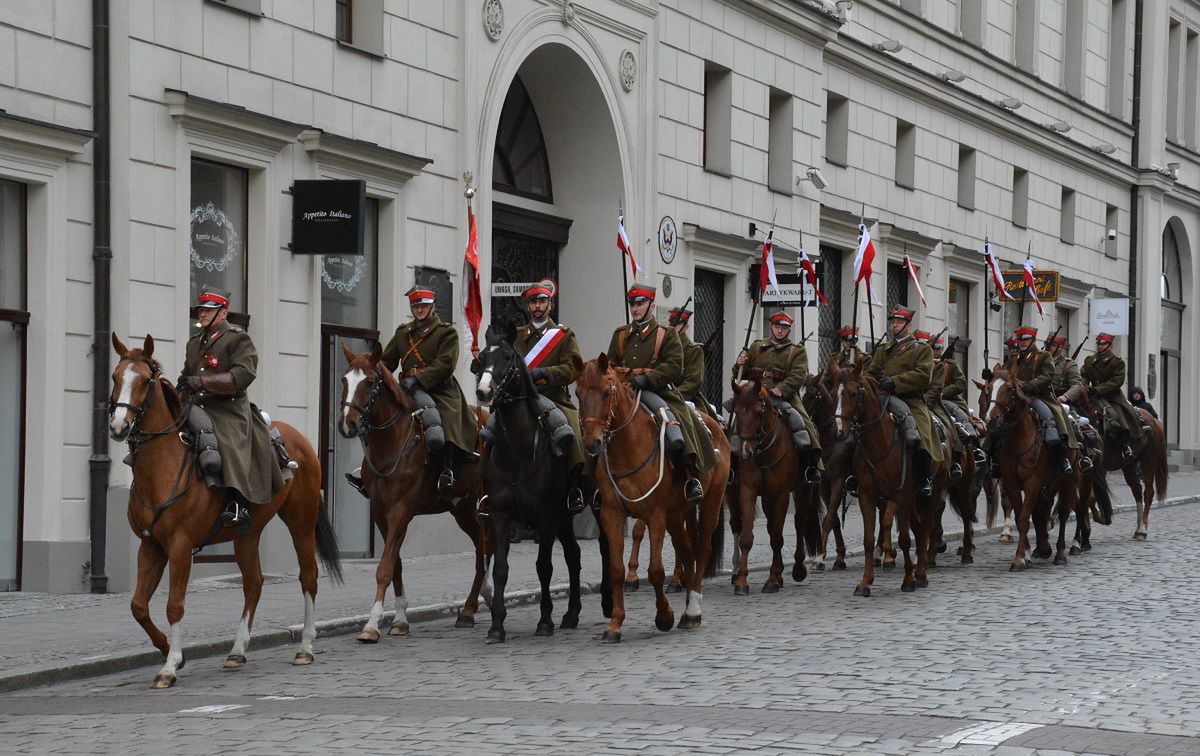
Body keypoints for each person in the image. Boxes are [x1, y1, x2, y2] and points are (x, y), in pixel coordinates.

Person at [175, 286, 285, 527]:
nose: (202, 314)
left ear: (223, 313)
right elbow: (187, 375)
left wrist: (203, 381)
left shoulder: (237, 339)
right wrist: (179, 389)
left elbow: (243, 375)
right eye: (201, 310)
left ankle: (238, 504)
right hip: (196, 407)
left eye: (208, 310)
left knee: (227, 442)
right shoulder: (194, 343)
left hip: (228, 409)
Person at [606, 284, 715, 502]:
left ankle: (690, 476)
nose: (635, 308)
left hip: (655, 391)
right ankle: (595, 485)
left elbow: (675, 366)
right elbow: (609, 364)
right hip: (625, 391)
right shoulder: (620, 335)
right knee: (598, 426)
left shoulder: (665, 334)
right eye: (632, 304)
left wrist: (647, 379)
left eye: (640, 304)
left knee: (676, 426)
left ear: (651, 305)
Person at [380, 284, 479, 492]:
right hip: (406, 388)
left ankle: (449, 470)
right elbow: (387, 362)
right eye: (415, 306)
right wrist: (374, 374)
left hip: (440, 389)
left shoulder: (446, 332)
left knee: (449, 417)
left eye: (423, 305)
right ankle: (371, 472)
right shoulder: (402, 333)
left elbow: (445, 363)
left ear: (433, 306)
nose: (419, 310)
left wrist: (418, 379)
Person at [511, 282, 588, 513]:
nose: (537, 306)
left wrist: (547, 372)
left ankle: (575, 486)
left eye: (541, 301)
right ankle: (486, 489)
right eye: (533, 302)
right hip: (520, 399)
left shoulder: (563, 335)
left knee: (571, 430)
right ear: (527, 306)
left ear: (549, 304)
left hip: (553, 397)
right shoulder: (517, 336)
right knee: (491, 430)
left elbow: (574, 369)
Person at [733, 311, 823, 485]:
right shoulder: (756, 346)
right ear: (771, 327)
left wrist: (782, 388)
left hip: (783, 398)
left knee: (803, 424)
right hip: (754, 396)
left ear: (789, 330)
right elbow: (739, 373)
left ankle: (810, 466)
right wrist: (739, 365)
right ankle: (731, 468)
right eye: (777, 327)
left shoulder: (797, 351)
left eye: (784, 328)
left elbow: (798, 376)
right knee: (735, 424)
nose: (780, 331)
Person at [865, 307, 941, 496]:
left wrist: (895, 382)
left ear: (909, 325)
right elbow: (870, 372)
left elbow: (924, 375)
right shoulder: (883, 349)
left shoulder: (921, 349)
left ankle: (925, 478)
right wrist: (867, 381)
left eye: (899, 322)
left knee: (920, 433)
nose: (895, 325)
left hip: (910, 399)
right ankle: (855, 476)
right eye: (893, 322)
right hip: (882, 397)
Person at [1010, 326, 1078, 473]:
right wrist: (992, 376)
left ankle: (1063, 457)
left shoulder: (1043, 356)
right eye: (1019, 339)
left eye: (1025, 339)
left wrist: (1028, 387)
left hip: (1040, 396)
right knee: (998, 421)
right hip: (1017, 397)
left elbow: (1048, 376)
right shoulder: (1015, 359)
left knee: (1052, 419)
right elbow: (1006, 374)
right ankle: (989, 458)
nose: (1021, 342)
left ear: (1033, 340)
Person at [1081, 333, 1144, 460]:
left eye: (1102, 343)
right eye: (1098, 343)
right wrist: (1085, 387)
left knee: (1119, 418)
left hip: (1113, 396)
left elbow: (1117, 381)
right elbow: (1083, 375)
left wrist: (1098, 389)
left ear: (1110, 345)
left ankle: (1126, 445)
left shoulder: (1118, 362)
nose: (1099, 346)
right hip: (1093, 395)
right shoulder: (1089, 361)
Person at [932, 336, 985, 467]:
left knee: (958, 417)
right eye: (932, 348)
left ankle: (975, 446)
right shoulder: (923, 363)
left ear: (942, 349)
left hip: (948, 400)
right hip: (928, 399)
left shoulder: (950, 364)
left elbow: (961, 383)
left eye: (937, 349)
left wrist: (943, 392)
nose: (934, 351)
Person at [669, 304, 717, 418]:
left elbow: (693, 381)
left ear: (686, 327)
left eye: (678, 323)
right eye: (672, 322)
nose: (674, 326)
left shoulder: (693, 350)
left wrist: (675, 395)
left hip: (684, 397)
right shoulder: (664, 346)